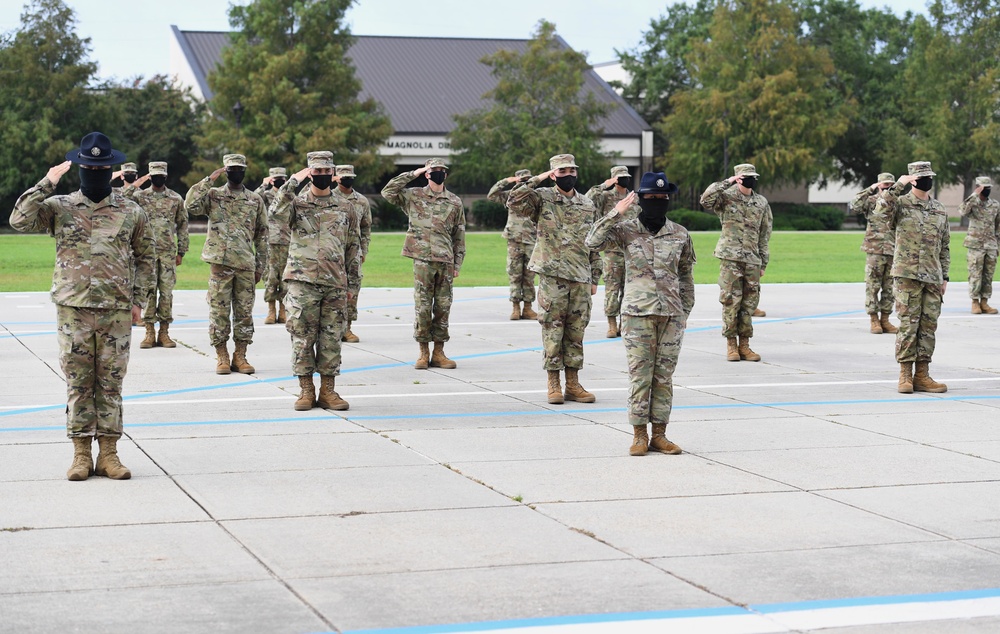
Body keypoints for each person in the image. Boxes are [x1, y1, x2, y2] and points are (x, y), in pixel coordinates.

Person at [10, 132, 153, 481]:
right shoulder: (60, 207)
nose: (94, 173)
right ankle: (80, 455)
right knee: (78, 384)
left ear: (110, 169)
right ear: (80, 169)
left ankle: (109, 454)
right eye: (88, 167)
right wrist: (48, 181)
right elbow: (19, 220)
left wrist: (139, 301)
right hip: (73, 310)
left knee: (111, 384)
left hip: (116, 311)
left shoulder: (131, 210)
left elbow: (147, 257)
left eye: (100, 168)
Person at [586, 172, 694, 456]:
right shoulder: (626, 230)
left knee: (664, 377)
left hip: (671, 316)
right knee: (640, 376)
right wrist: (615, 212)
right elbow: (592, 241)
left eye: (662, 198)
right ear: (641, 200)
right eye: (651, 198)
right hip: (637, 315)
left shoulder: (680, 233)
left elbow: (685, 275)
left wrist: (684, 311)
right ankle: (638, 435)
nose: (658, 202)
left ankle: (660, 434)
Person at [509, 153, 601, 404]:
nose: (568, 176)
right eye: (562, 172)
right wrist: (537, 179)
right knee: (552, 330)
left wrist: (595, 276)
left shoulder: (587, 204)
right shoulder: (542, 198)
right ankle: (553, 384)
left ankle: (573, 383)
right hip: (552, 276)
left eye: (571, 171)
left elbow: (594, 243)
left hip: (581, 277)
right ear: (552, 174)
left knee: (576, 331)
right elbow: (514, 199)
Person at [271, 152, 361, 410]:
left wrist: (352, 286)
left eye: (326, 172)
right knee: (302, 337)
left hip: (335, 283)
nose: (321, 176)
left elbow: (353, 248)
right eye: (316, 172)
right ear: (309, 174)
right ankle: (306, 390)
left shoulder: (346, 207)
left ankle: (328, 391)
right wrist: (292, 181)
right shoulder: (297, 204)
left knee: (331, 338)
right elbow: (275, 212)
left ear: (333, 175)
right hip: (302, 281)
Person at [185, 154, 268, 375]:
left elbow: (262, 235)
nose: (236, 172)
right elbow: (191, 205)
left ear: (245, 171)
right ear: (225, 170)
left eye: (240, 168)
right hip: (220, 264)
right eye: (232, 169)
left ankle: (240, 356)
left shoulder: (255, 199)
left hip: (245, 264)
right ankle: (222, 355)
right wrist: (209, 179)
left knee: (244, 313)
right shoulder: (213, 195)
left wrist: (261, 265)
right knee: (219, 311)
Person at [381, 158, 466, 369]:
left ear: (445, 174)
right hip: (422, 260)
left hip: (445, 260)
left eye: (441, 170)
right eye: (433, 170)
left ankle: (439, 352)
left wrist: (457, 263)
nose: (438, 173)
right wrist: (415, 172)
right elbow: (388, 191)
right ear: (427, 173)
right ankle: (423, 352)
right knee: (423, 307)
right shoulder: (414, 196)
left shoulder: (454, 201)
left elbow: (459, 234)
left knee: (443, 308)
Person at [877, 161, 950, 393]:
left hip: (933, 276)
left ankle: (922, 374)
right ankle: (905, 375)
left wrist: (945, 276)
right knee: (909, 325)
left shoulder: (939, 208)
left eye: (930, 176)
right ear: (913, 179)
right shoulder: (900, 203)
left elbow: (945, 245)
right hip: (907, 275)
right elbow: (880, 212)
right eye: (924, 177)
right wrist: (898, 186)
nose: (928, 180)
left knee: (928, 327)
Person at [700, 163, 772, 362]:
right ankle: (731, 345)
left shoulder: (761, 203)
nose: (749, 180)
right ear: (738, 178)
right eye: (745, 176)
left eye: (752, 176)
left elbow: (765, 234)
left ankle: (745, 346)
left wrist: (763, 263)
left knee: (749, 304)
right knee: (731, 301)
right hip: (730, 258)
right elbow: (705, 200)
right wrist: (727, 182)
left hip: (752, 259)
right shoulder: (726, 197)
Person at [133, 161, 188, 349]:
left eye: (161, 175)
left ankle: (164, 332)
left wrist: (181, 251)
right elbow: (120, 202)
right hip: (145, 253)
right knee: (148, 291)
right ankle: (149, 331)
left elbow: (182, 225)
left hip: (167, 253)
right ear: (149, 176)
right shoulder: (139, 197)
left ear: (165, 176)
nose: (158, 178)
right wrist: (135, 184)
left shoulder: (175, 198)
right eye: (154, 175)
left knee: (166, 293)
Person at [586, 165, 640, 338]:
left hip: (631, 250)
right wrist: (604, 184)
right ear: (614, 179)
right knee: (612, 288)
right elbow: (587, 198)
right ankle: (611, 323)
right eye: (620, 177)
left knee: (629, 289)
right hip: (612, 250)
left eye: (626, 176)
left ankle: (624, 324)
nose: (624, 180)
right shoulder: (605, 197)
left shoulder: (635, 198)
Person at [850, 172, 900, 334]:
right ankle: (873, 319)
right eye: (885, 185)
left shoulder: (898, 203)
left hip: (893, 250)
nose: (888, 188)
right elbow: (854, 205)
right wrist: (869, 189)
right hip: (875, 249)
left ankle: (885, 319)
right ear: (879, 185)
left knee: (890, 287)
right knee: (872, 285)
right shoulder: (871, 202)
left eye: (891, 185)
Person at [488, 168, 538, 320]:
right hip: (514, 239)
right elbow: (491, 195)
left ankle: (528, 308)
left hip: (531, 239)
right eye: (521, 180)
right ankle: (515, 307)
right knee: (514, 274)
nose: (524, 183)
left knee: (529, 276)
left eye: (527, 180)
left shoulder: (536, 195)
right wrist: (506, 181)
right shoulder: (510, 195)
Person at [333, 164, 371, 343]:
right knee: (333, 289)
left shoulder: (361, 201)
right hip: (334, 251)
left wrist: (364, 250)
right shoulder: (330, 198)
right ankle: (332, 327)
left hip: (354, 251)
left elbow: (366, 228)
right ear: (336, 178)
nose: (347, 180)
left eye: (350, 177)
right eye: (343, 176)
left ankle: (347, 328)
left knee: (352, 288)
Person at [960, 176, 1000, 315]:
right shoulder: (973, 203)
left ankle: (984, 301)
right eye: (984, 188)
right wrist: (974, 194)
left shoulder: (995, 204)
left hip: (991, 245)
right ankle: (975, 302)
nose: (986, 190)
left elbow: (998, 226)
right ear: (978, 187)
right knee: (975, 274)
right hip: (975, 245)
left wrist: (998, 245)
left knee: (988, 275)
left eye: (988, 187)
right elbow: (962, 211)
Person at [256, 166, 289, 325]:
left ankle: (283, 310)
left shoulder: (289, 196)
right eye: (276, 179)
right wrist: (263, 185)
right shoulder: (266, 196)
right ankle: (271, 310)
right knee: (270, 278)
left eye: (282, 178)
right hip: (269, 242)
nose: (279, 181)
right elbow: (252, 199)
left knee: (285, 278)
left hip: (287, 242)